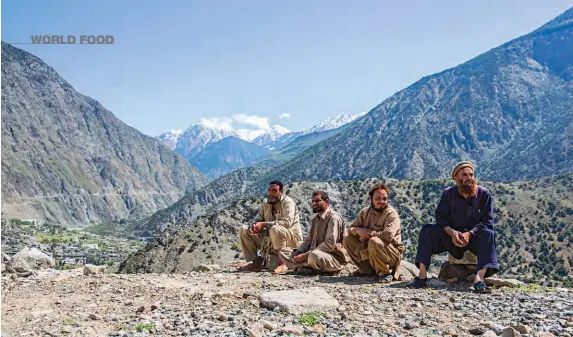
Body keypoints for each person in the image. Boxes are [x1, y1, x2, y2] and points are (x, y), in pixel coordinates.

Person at [409, 161, 499, 292]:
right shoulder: (448, 194)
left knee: (488, 234)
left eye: (471, 175)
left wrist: (470, 233)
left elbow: (487, 221)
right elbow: (440, 217)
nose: (469, 178)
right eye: (464, 175)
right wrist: (451, 232)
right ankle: (422, 277)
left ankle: (479, 279)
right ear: (455, 178)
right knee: (427, 230)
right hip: (451, 237)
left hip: (474, 237)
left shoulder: (483, 194)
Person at [277, 191, 349, 275]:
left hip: (332, 257)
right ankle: (310, 268)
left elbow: (330, 244)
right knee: (284, 251)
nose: (314, 203)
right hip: (312, 253)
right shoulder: (315, 219)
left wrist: (306, 255)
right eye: (313, 201)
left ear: (326, 202)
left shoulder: (334, 218)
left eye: (318, 201)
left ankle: (328, 269)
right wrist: (298, 252)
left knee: (314, 256)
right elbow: (308, 240)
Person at [237, 180, 303, 273]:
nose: (270, 193)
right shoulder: (265, 203)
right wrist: (254, 226)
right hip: (270, 240)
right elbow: (258, 218)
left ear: (281, 192)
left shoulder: (288, 203)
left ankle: (283, 263)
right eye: (269, 190)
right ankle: (256, 262)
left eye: (274, 190)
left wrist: (264, 224)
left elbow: (286, 223)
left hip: (290, 240)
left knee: (275, 228)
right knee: (244, 229)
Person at [343, 183, 404, 283]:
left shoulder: (391, 214)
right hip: (370, 253)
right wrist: (358, 231)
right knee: (347, 238)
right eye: (378, 198)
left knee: (374, 241)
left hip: (391, 255)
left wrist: (369, 234)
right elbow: (350, 229)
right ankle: (366, 270)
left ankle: (385, 273)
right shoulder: (365, 212)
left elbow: (388, 236)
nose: (382, 202)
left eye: (384, 199)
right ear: (371, 198)